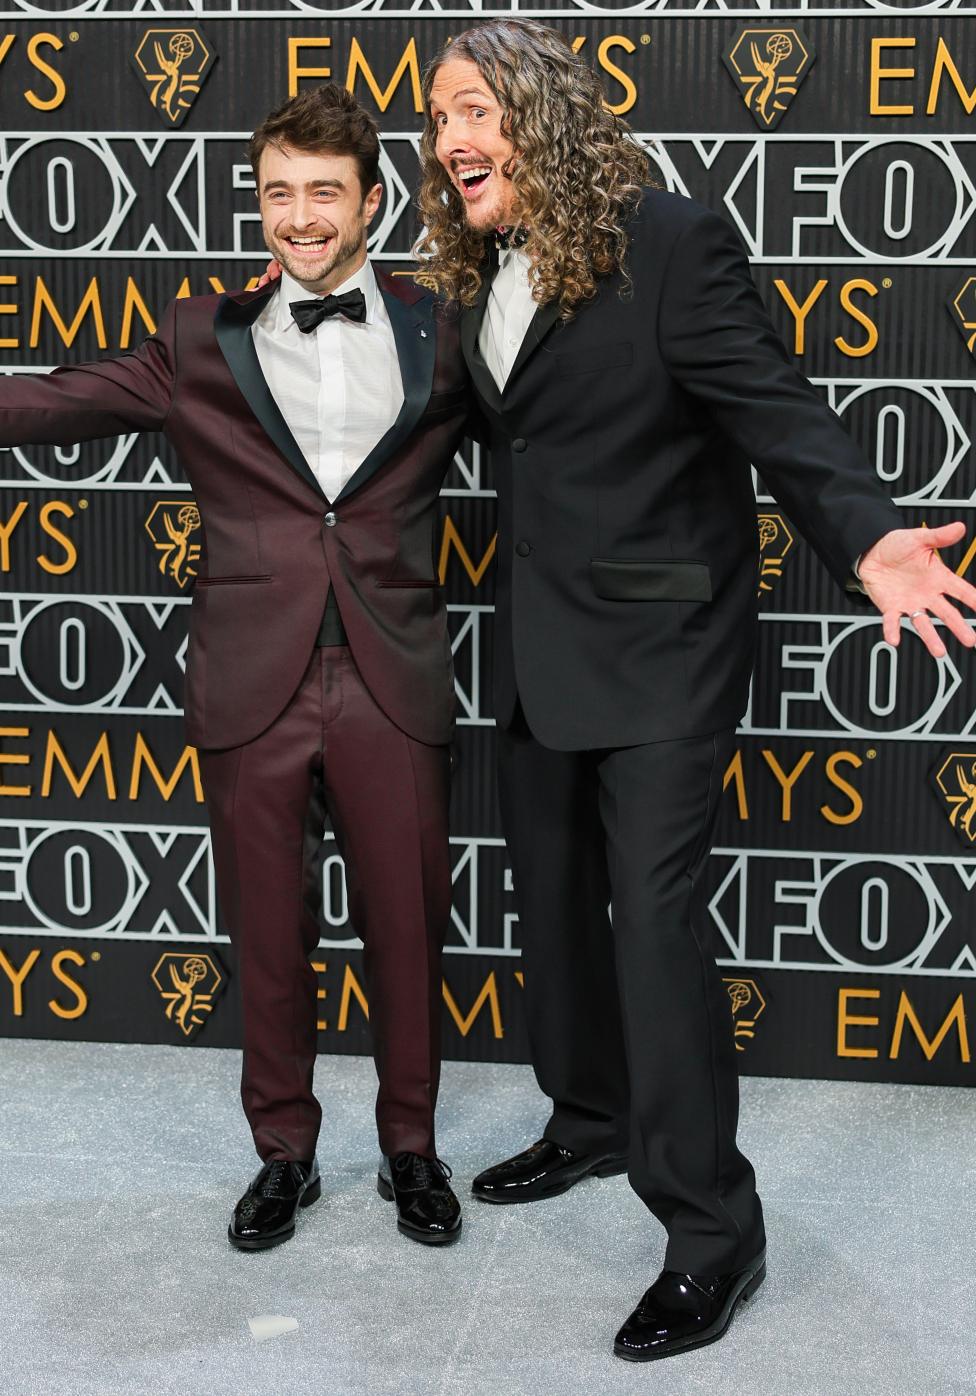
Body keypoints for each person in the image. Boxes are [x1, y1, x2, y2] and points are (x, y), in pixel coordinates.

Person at [414, 18, 976, 1359]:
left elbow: (776, 411)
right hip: (545, 650)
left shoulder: (669, 243)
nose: (450, 140)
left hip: (668, 652)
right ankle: (591, 1119)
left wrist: (865, 534)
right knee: (547, 902)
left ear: (542, 115)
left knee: (655, 932)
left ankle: (715, 1232)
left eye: (475, 109)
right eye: (438, 120)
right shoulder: (479, 271)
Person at [0, 84, 469, 1251]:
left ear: (370, 201)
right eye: (276, 194)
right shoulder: (198, 337)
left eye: (323, 192)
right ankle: (285, 1154)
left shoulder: (443, 327)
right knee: (267, 928)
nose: (299, 215)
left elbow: (571, 435)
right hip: (249, 673)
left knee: (407, 925)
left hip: (390, 671)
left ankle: (410, 1148)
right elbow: (52, 403)